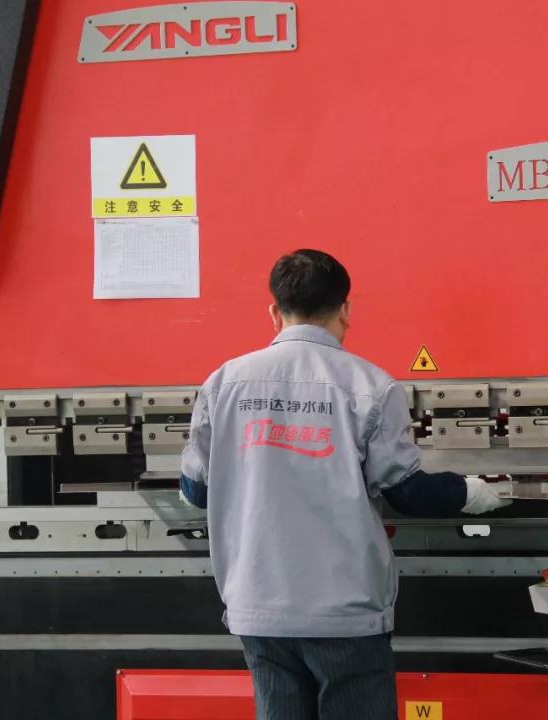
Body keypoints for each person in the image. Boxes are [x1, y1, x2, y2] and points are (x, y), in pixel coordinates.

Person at [179, 249, 510, 720]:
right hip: (345, 613)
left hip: (258, 608)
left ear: (274, 311)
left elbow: (196, 492)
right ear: (346, 309)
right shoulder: (371, 386)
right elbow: (406, 492)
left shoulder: (223, 383)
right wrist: (472, 492)